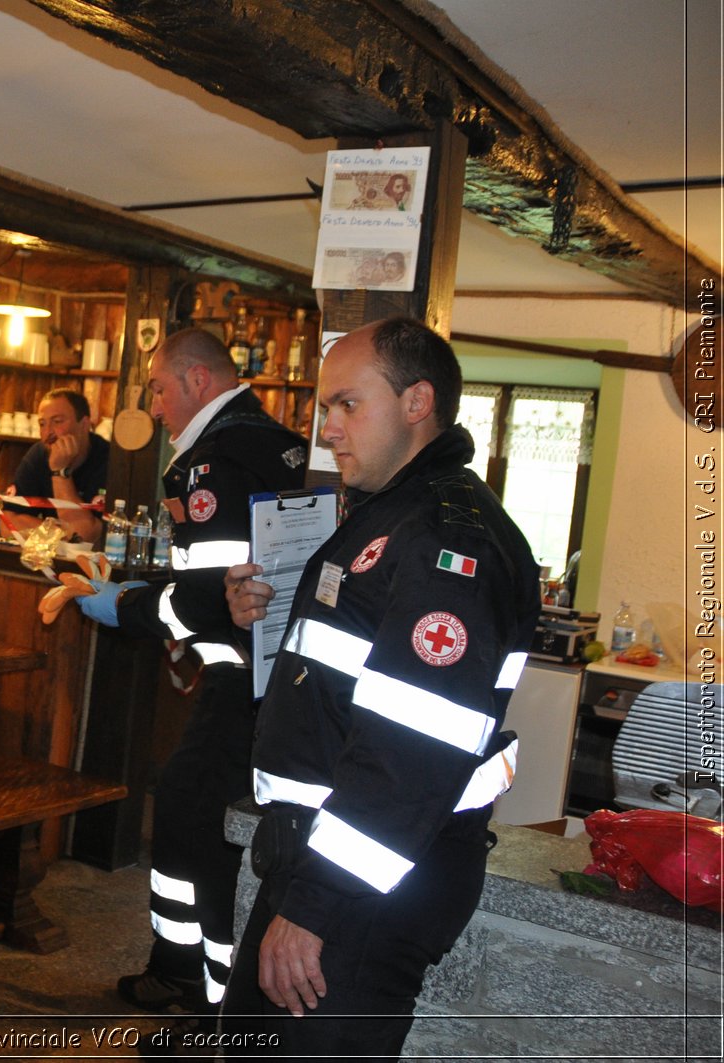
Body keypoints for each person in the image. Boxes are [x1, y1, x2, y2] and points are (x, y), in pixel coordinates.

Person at [220, 317, 536, 1059]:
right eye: (324, 407)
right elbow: (332, 686)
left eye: (348, 405)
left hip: (366, 888)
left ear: (418, 401)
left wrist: (316, 905)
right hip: (327, 863)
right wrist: (256, 623)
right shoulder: (389, 515)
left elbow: (413, 748)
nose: (327, 428)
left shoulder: (445, 540)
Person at [72, 328, 306, 1020]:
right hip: (268, 676)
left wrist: (129, 607)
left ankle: (198, 988)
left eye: (159, 386)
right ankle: (186, 972)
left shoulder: (214, 460)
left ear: (199, 380)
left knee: (189, 814)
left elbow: (214, 593)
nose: (155, 401)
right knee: (193, 809)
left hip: (244, 681)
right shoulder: (274, 440)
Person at [6, 387, 109, 541]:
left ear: (84, 424)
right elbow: (8, 523)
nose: (48, 432)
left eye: (57, 421)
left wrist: (60, 472)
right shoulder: (38, 455)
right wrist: (62, 533)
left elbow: (84, 536)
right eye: (42, 424)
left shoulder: (109, 460)